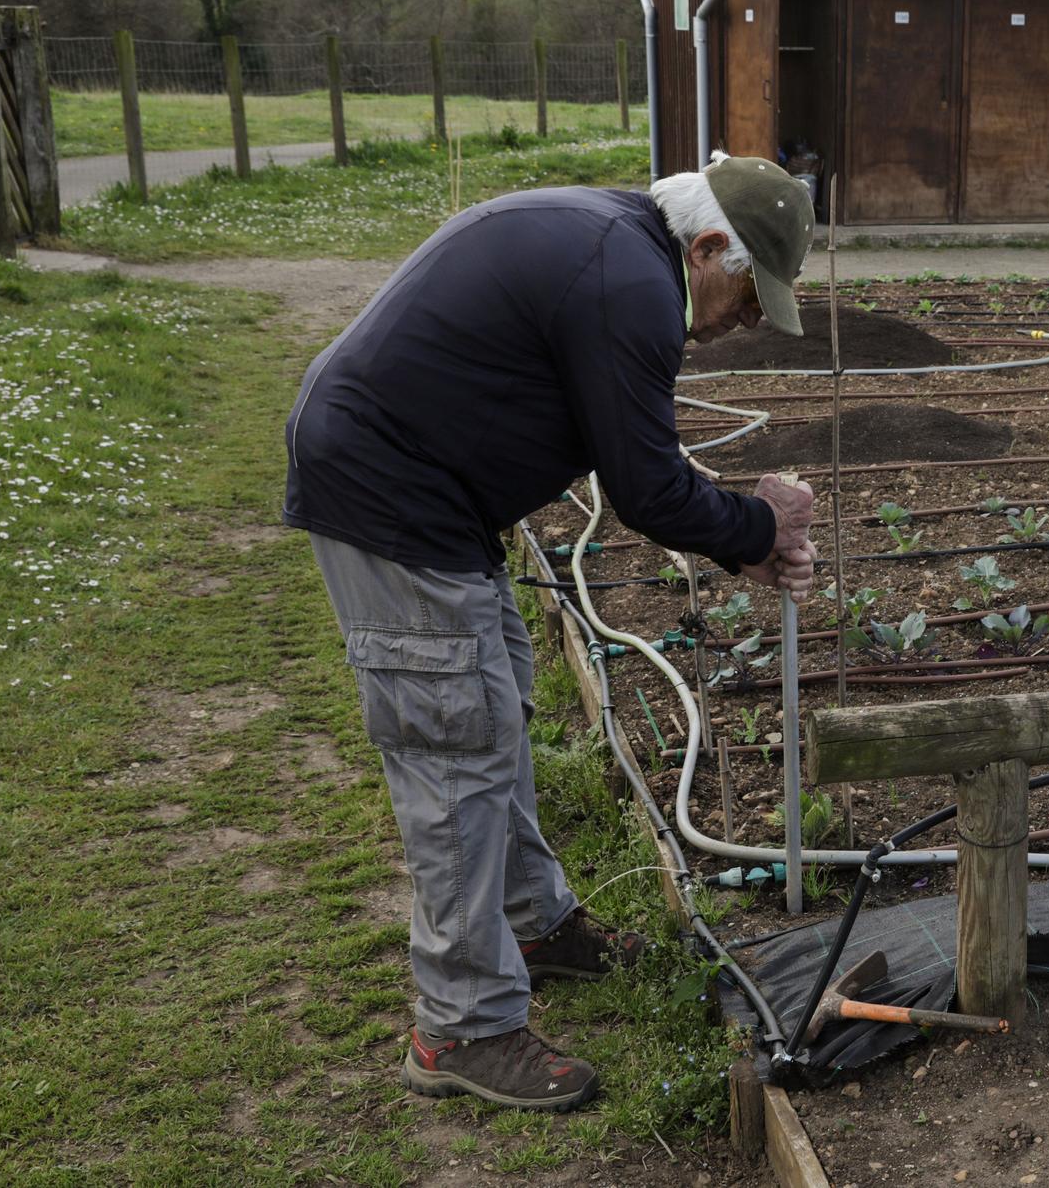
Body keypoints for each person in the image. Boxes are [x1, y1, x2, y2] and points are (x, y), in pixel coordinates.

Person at [282, 152, 820, 1113]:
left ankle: (536, 924)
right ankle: (463, 1025)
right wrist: (759, 525)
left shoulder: (621, 245)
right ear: (707, 247)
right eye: (747, 296)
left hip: (430, 490)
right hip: (389, 489)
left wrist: (744, 532)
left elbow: (634, 450)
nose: (745, 322)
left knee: (494, 697)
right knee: (453, 743)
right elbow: (648, 488)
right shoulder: (630, 285)